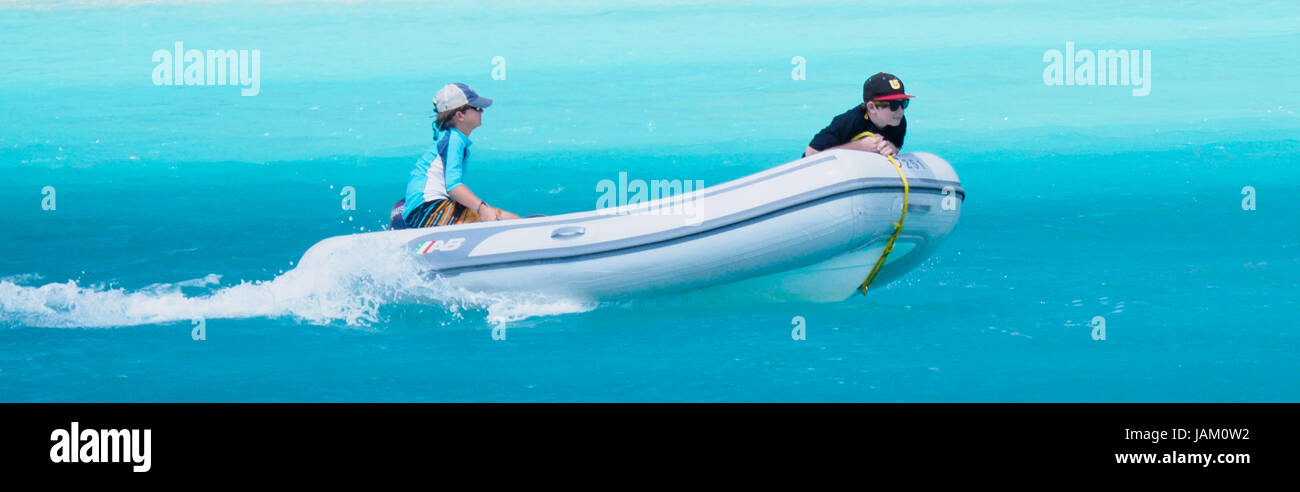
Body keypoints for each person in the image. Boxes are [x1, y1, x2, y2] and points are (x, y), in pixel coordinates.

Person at [395, 82, 520, 230]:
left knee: (508, 218)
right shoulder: (454, 140)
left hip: (425, 208)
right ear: (460, 115)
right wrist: (482, 208)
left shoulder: (452, 138)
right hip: (429, 209)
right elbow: (454, 187)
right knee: (497, 219)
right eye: (477, 108)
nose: (482, 111)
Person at [803, 72, 914, 158]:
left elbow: (896, 147)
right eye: (893, 104)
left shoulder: (898, 122)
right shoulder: (849, 121)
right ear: (871, 107)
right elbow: (811, 153)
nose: (900, 110)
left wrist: (892, 148)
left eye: (903, 103)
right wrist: (859, 147)